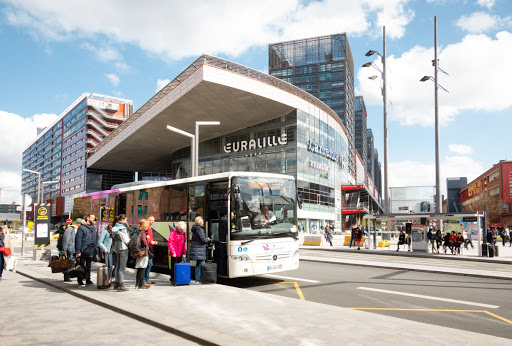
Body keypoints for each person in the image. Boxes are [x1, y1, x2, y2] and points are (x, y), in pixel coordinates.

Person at [75, 214, 98, 287]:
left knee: (89, 265)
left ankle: (88, 279)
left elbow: (96, 237)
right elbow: (78, 239)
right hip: (83, 250)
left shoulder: (93, 227)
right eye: (92, 218)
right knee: (81, 265)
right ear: (88, 218)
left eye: (94, 218)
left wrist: (96, 247)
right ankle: (80, 280)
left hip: (91, 249)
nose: (94, 219)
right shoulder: (82, 227)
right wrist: (78, 251)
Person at [111, 214, 130, 292]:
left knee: (118, 266)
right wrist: (130, 243)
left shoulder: (114, 227)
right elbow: (125, 239)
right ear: (123, 220)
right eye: (126, 220)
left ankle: (116, 283)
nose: (126, 221)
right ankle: (120, 285)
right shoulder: (122, 228)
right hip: (123, 248)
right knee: (122, 267)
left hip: (117, 248)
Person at [189, 216, 209, 283]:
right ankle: (200, 279)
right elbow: (203, 240)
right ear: (200, 222)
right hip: (199, 249)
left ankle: (197, 279)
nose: (203, 222)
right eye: (202, 221)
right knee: (201, 264)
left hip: (197, 249)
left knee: (198, 264)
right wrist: (207, 239)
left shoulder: (195, 229)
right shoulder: (200, 229)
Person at [142, 216, 158, 287]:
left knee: (149, 264)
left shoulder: (150, 229)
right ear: (147, 220)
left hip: (150, 248)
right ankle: (144, 280)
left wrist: (153, 242)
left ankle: (146, 279)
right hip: (146, 248)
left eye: (153, 221)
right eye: (151, 220)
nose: (152, 222)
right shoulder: (145, 228)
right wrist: (151, 242)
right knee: (146, 264)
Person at [135, 219, 150, 290]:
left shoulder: (139, 232)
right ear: (144, 226)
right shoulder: (143, 233)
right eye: (147, 225)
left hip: (139, 252)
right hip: (143, 253)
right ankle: (140, 286)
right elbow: (145, 243)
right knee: (142, 269)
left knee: (139, 269)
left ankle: (137, 284)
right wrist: (148, 239)